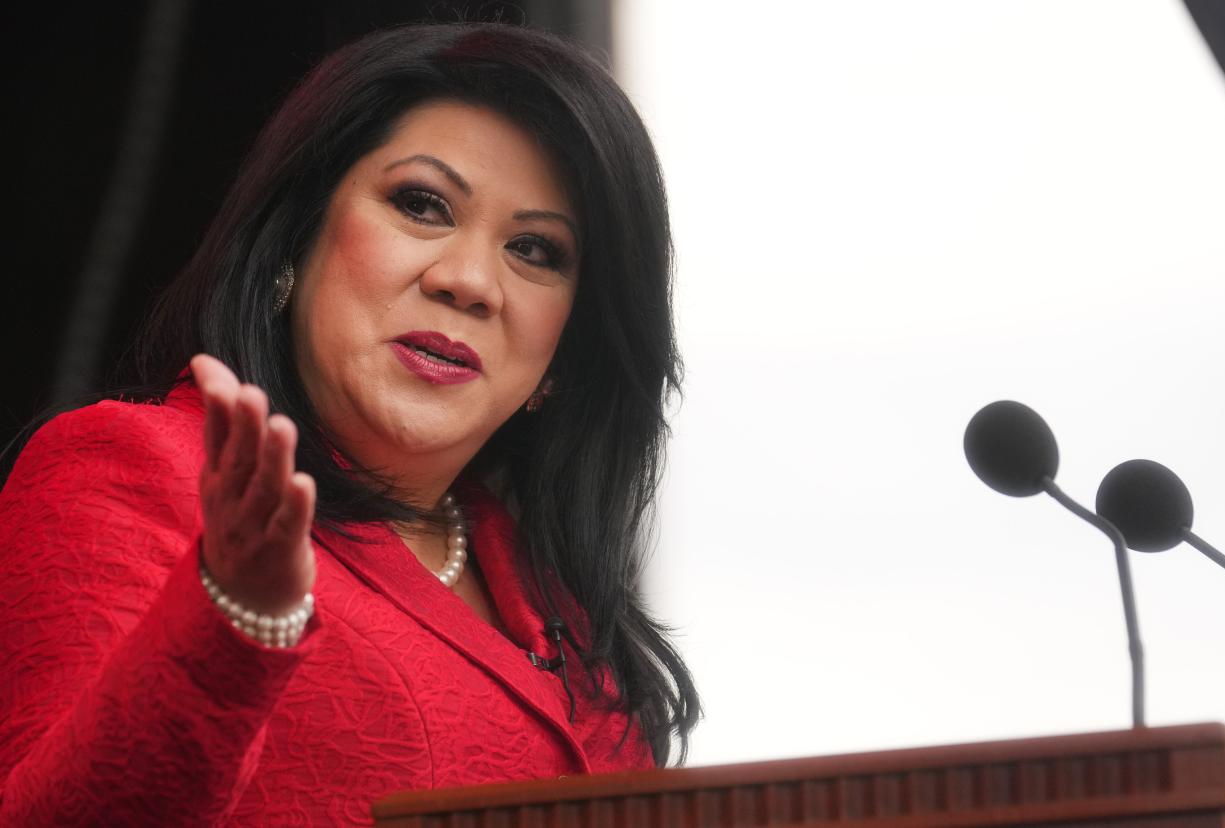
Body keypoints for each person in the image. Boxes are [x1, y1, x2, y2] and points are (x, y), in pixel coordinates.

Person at [0, 23, 700, 825]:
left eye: (536, 250)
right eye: (421, 205)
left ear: (567, 350)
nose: (470, 282)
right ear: (294, 240)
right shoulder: (130, 470)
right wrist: (235, 617)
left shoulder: (567, 613)